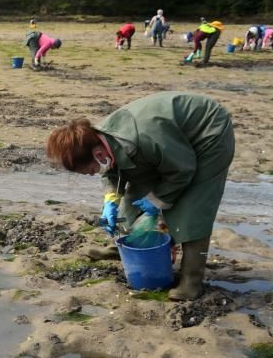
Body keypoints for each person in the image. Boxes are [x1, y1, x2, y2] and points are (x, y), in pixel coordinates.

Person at [45, 92, 234, 301]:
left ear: (98, 155)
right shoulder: (95, 140)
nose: (91, 173)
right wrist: (110, 202)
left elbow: (182, 170)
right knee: (133, 199)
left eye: (88, 170)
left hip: (207, 133)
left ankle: (191, 281)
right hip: (164, 146)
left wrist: (157, 200)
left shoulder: (143, 137)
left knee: (192, 209)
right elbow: (110, 172)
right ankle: (124, 247)